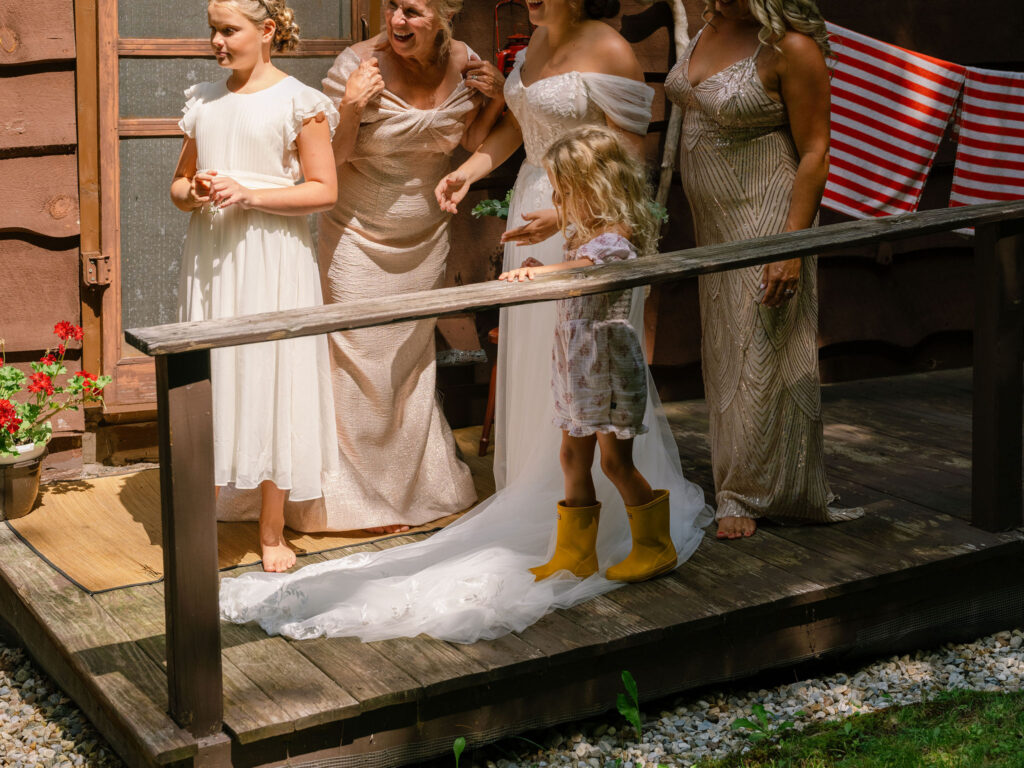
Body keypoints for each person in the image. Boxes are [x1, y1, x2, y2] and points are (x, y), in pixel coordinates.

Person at [218, 0, 710, 644]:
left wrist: (569, 217)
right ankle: (552, 512)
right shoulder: (531, 46)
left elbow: (622, 164)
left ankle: (623, 527)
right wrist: (473, 171)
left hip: (587, 218)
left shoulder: (612, 49)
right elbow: (518, 133)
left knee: (593, 391)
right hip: (535, 207)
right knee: (550, 386)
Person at [306, 0, 507, 534]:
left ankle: (412, 490)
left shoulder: (465, 61)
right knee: (359, 360)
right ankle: (354, 500)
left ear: (445, 13)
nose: (397, 19)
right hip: (356, 235)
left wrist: (494, 102)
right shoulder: (357, 64)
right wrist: (350, 107)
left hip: (425, 237)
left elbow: (465, 142)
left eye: (413, 10)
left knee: (408, 362)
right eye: (392, 6)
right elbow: (331, 158)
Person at [665, 0, 861, 540]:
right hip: (715, 224)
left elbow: (816, 150)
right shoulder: (709, 25)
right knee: (729, 349)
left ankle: (753, 493)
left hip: (767, 214)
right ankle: (746, 477)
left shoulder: (788, 47)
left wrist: (791, 245)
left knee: (762, 350)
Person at [171, 0, 340, 572]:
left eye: (228, 30)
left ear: (266, 31)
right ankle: (200, 528)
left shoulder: (301, 102)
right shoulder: (204, 100)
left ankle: (271, 531)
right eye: (212, 31)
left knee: (274, 376)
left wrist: (249, 194)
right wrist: (194, 192)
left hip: (273, 257)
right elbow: (177, 185)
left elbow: (323, 190)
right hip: (214, 258)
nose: (217, 42)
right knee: (213, 378)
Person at [500, 126, 679, 583]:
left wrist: (548, 274)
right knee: (570, 456)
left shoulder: (614, 240)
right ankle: (576, 553)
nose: (559, 206)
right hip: (578, 366)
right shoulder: (583, 237)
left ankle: (656, 547)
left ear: (593, 190)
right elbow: (574, 268)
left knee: (615, 461)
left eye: (564, 196)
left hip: (608, 368)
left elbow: (591, 269)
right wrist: (544, 269)